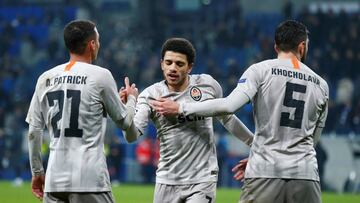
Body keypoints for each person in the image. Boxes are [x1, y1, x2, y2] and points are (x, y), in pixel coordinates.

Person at [151, 20, 329, 203]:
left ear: (276, 47)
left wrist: (181, 107)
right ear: (302, 46)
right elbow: (313, 139)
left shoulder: (260, 70)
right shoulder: (321, 85)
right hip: (306, 174)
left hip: (264, 169)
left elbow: (229, 106)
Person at [121, 38, 253, 203]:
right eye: (168, 62)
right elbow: (131, 136)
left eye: (179, 64)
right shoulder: (150, 95)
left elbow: (228, 119)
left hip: (202, 179)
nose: (173, 68)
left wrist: (255, 145)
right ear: (162, 64)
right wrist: (129, 105)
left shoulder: (208, 86)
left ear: (190, 67)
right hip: (167, 179)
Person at [26, 20, 138, 203]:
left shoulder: (45, 78)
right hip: (89, 180)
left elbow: (33, 131)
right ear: (92, 45)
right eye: (98, 41)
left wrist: (37, 172)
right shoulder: (101, 76)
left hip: (54, 182)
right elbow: (125, 122)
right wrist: (132, 99)